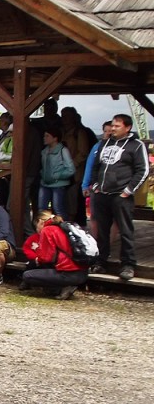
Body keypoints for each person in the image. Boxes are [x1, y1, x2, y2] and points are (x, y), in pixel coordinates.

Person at [86, 113, 150, 281]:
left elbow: (142, 170)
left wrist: (128, 191)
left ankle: (128, 264)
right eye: (112, 126)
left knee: (126, 230)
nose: (113, 129)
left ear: (127, 127)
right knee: (102, 230)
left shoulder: (136, 146)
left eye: (117, 126)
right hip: (102, 194)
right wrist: (94, 186)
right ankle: (101, 260)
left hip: (121, 195)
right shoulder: (104, 143)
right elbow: (96, 166)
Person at [20, 210, 88, 300]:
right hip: (83, 272)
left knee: (28, 275)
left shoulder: (47, 230)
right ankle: (64, 287)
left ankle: (60, 289)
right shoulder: (64, 227)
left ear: (40, 222)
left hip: (68, 274)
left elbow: (46, 258)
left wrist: (36, 259)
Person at [60, 107, 97, 224]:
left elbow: (83, 153)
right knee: (64, 200)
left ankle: (74, 225)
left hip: (75, 174)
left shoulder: (79, 132)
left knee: (73, 201)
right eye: (63, 116)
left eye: (67, 116)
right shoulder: (61, 132)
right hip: (62, 172)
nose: (64, 119)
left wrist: (71, 165)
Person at [38, 127, 75, 218]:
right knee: (41, 209)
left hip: (58, 184)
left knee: (58, 209)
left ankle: (63, 230)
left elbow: (71, 169)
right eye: (44, 136)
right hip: (44, 183)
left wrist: (57, 176)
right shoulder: (44, 151)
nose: (44, 138)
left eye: (47, 136)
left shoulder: (63, 150)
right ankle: (43, 230)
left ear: (55, 138)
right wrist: (42, 173)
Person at [0, 112, 14, 207]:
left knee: (4, 196)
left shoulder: (10, 138)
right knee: (0, 195)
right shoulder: (4, 136)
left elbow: (11, 155)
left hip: (7, 172)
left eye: (1, 120)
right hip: (0, 170)